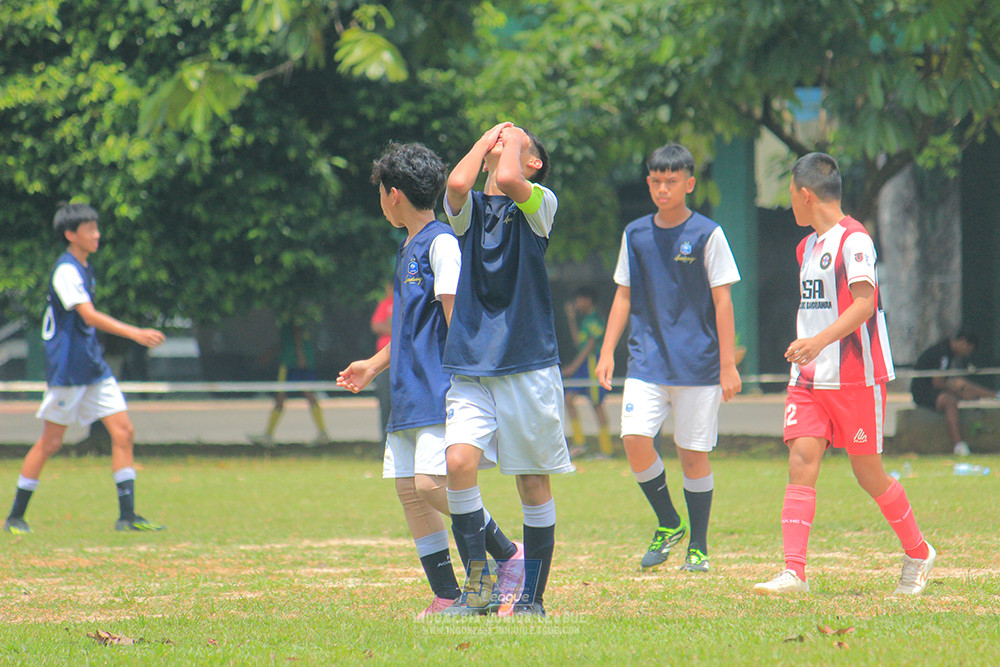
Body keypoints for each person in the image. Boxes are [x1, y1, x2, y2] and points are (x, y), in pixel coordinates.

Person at [337, 142, 521, 619]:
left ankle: (507, 554)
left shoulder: (440, 243)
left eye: (381, 192)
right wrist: (373, 365)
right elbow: (410, 330)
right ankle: (445, 592)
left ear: (393, 194)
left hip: (439, 388)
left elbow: (455, 317)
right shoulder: (408, 246)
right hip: (406, 388)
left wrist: (471, 382)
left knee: (428, 483)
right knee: (408, 488)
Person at [754, 153, 935, 596]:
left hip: (855, 376)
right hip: (809, 380)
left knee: (868, 474)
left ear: (805, 194)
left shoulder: (855, 240)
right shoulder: (806, 246)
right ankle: (794, 573)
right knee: (801, 460)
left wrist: (819, 342)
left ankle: (918, 551)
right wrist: (809, 347)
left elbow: (863, 303)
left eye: (790, 196)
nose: (789, 206)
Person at [440, 122, 574, 617]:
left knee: (532, 483)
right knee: (457, 465)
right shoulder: (471, 209)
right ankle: (479, 592)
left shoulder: (540, 204)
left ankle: (532, 600)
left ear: (533, 162)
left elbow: (514, 179)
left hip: (527, 365)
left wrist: (511, 141)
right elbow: (456, 185)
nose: (503, 144)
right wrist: (488, 139)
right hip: (473, 365)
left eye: (518, 146)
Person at [595, 143, 742, 575]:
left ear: (689, 184)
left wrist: (727, 364)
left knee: (692, 454)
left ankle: (698, 545)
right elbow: (623, 295)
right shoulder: (635, 234)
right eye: (656, 181)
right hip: (647, 360)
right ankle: (668, 522)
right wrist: (607, 351)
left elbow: (724, 302)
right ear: (648, 183)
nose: (663, 188)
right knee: (634, 440)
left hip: (698, 363)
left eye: (672, 181)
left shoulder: (708, 234)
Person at [3, 203, 166, 534]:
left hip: (93, 367)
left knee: (123, 432)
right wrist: (135, 333)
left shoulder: (83, 266)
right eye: (90, 229)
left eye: (96, 227)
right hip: (69, 370)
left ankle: (127, 516)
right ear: (70, 234)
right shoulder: (66, 270)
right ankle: (15, 517)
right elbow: (88, 316)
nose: (97, 234)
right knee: (50, 442)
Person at [911, 331, 999, 456]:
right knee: (950, 401)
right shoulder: (942, 352)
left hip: (933, 390)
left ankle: (996, 395)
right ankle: (958, 445)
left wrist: (961, 390)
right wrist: (960, 394)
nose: (968, 353)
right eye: (969, 349)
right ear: (963, 342)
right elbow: (937, 382)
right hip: (923, 393)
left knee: (962, 383)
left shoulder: (948, 352)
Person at [250, 322, 329, 447]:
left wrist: (300, 355)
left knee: (285, 396)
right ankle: (322, 433)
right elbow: (285, 342)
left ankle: (268, 435)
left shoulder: (291, 316)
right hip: (296, 361)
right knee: (303, 395)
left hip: (291, 363)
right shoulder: (290, 320)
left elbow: (296, 333)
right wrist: (269, 354)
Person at [563, 286, 614, 458]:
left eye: (579, 300)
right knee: (568, 399)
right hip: (584, 366)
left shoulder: (595, 320)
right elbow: (579, 343)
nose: (577, 304)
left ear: (587, 300)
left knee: (597, 405)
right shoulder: (585, 321)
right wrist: (571, 319)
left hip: (592, 365)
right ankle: (580, 443)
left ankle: (606, 450)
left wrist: (573, 367)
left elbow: (588, 349)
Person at [370, 281, 393, 441]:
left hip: (403, 362)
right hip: (383, 363)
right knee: (385, 403)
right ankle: (383, 444)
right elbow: (376, 325)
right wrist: (399, 330)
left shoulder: (405, 301)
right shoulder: (385, 304)